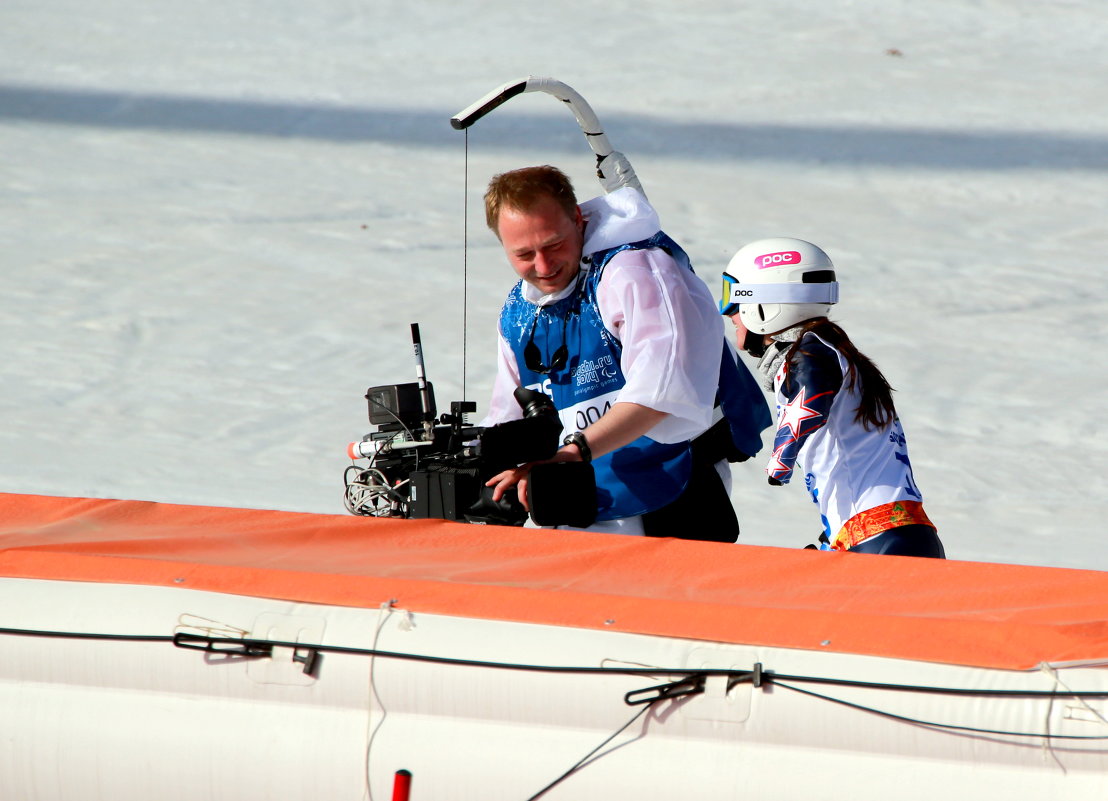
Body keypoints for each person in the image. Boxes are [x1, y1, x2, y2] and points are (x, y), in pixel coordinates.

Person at [482, 165, 770, 541]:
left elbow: (660, 390)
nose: (543, 266)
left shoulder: (635, 271)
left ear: (578, 218)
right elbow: (508, 416)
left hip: (668, 487)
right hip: (575, 499)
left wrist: (572, 452)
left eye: (553, 245)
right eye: (524, 254)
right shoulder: (518, 311)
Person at [720, 237, 945, 557]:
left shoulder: (812, 352)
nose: (728, 313)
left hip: (878, 540)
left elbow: (812, 396)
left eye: (732, 296)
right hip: (885, 536)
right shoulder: (835, 351)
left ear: (762, 304)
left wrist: (781, 457)